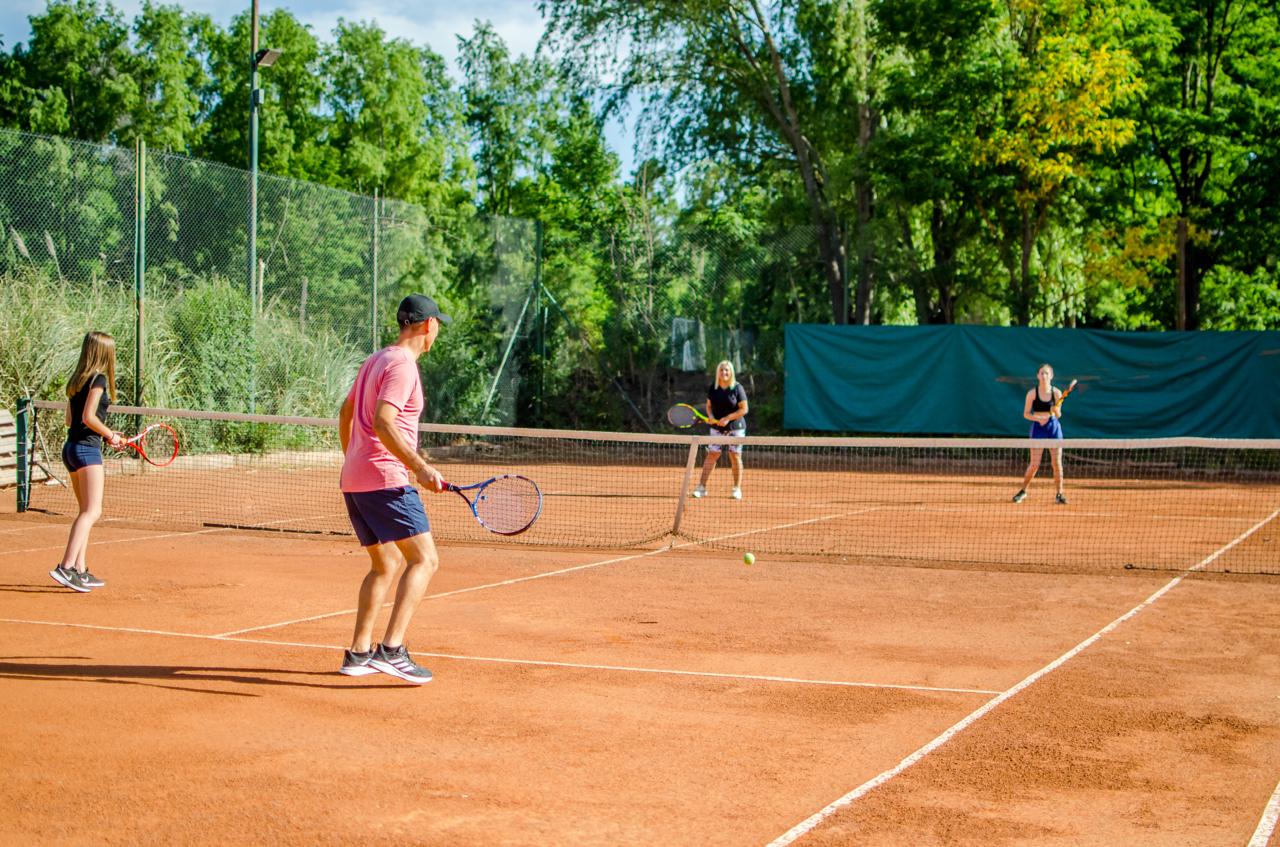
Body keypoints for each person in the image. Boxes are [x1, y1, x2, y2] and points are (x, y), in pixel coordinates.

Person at [337, 294, 451, 685]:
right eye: (437, 325)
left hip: (356, 479)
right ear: (427, 326)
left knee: (385, 564)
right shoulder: (403, 366)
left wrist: (354, 456)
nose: (437, 331)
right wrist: (418, 467)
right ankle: (392, 650)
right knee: (425, 560)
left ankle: (359, 653)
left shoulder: (376, 359)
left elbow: (346, 411)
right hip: (385, 479)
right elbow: (385, 423)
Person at [50, 331, 125, 592]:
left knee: (85, 511)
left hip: (71, 449)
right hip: (85, 452)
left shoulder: (76, 381)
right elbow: (88, 417)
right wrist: (111, 434)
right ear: (105, 353)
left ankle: (80, 570)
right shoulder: (99, 379)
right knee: (93, 511)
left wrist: (105, 437)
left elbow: (70, 421)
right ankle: (66, 566)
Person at [691, 360, 749, 500]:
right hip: (717, 427)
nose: (724, 372)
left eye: (727, 370)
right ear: (718, 372)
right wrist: (710, 416)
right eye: (722, 370)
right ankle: (702, 488)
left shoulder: (737, 388)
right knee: (712, 454)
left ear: (731, 372)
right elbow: (709, 406)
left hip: (736, 428)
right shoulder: (713, 388)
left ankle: (736, 489)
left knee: (735, 455)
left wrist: (728, 418)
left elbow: (744, 409)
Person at [1012, 362, 1067, 505]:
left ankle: (1059, 494)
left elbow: (1059, 414)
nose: (1044, 376)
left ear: (1051, 376)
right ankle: (1023, 491)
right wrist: (1038, 418)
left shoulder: (1057, 393)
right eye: (1041, 373)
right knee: (1035, 464)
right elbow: (1026, 414)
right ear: (1037, 376)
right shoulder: (1032, 393)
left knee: (1056, 463)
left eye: (1046, 373)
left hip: (1053, 428)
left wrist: (1055, 411)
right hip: (1038, 428)